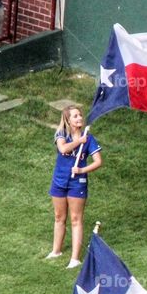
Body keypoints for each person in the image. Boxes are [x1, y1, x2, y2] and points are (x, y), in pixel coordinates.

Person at [47, 105, 102, 269]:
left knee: (76, 219)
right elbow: (63, 148)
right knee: (59, 216)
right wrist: (78, 141)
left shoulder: (89, 138)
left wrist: (81, 170)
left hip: (77, 182)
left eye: (80, 115)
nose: (79, 118)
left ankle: (75, 258)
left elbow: (98, 161)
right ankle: (56, 251)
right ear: (68, 120)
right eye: (75, 116)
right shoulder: (61, 135)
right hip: (59, 180)